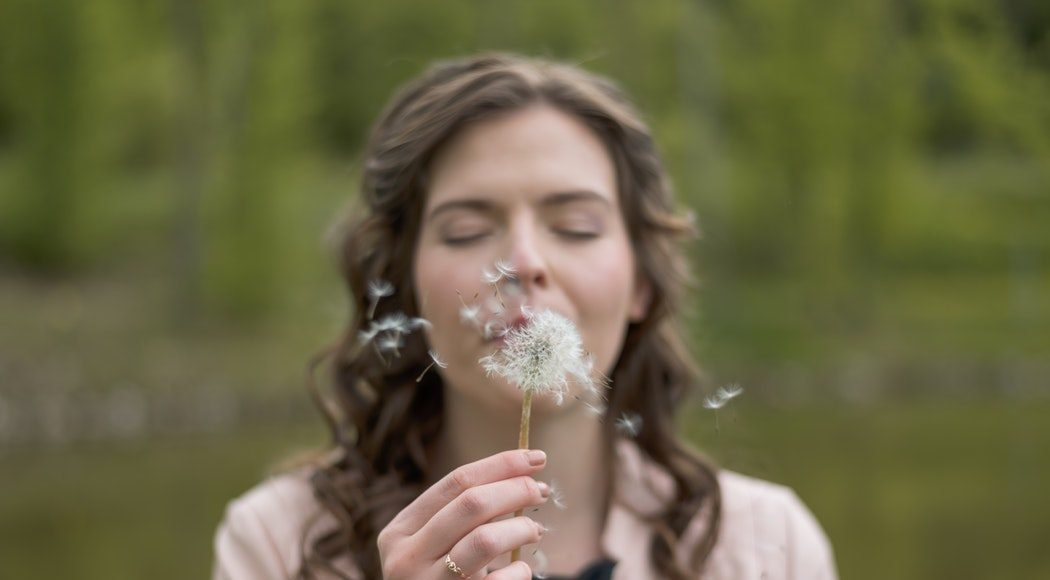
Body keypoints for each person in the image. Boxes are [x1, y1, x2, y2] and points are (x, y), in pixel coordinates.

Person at [212, 53, 838, 580]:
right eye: (464, 232)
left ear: (643, 283)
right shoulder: (277, 544)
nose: (523, 261)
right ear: (406, 288)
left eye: (576, 226)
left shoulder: (765, 548)